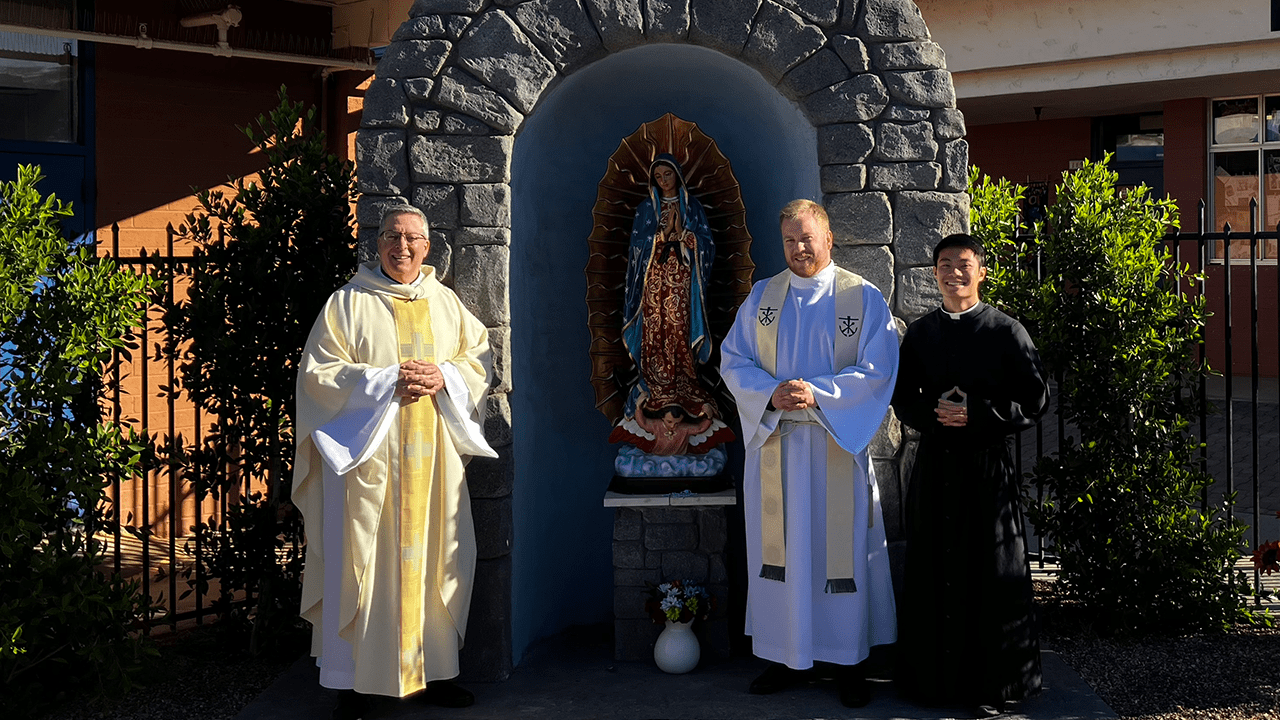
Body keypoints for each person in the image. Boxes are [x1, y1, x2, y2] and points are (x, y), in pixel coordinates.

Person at [292, 206, 497, 720]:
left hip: (433, 471)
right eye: (391, 237)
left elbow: (479, 358)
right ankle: (355, 683)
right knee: (362, 562)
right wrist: (386, 382)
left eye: (411, 238)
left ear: (428, 248)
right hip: (367, 470)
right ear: (376, 244)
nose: (401, 247)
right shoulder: (346, 303)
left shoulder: (446, 303)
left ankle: (436, 672)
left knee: (439, 564)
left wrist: (444, 376)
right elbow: (318, 375)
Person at [719, 199, 899, 708]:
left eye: (807, 238)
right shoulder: (762, 299)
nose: (799, 249)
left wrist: (818, 393)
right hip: (777, 446)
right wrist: (770, 395)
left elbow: (879, 369)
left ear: (828, 238)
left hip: (833, 447)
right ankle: (784, 656)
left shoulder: (861, 299)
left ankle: (848, 662)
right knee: (782, 553)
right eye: (790, 241)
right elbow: (733, 360)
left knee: (836, 554)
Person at [892, 233, 1049, 716]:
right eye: (944, 264)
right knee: (935, 568)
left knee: (989, 571)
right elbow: (902, 396)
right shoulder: (920, 334)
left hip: (986, 469)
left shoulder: (1006, 331)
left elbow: (1035, 399)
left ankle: (994, 685)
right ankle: (934, 683)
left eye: (963, 264)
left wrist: (978, 414)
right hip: (936, 465)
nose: (953, 272)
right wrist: (934, 412)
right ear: (934, 273)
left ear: (981, 271)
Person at [609, 153, 732, 456]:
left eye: (668, 174)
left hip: (683, 283)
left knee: (678, 329)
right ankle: (654, 382)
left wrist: (688, 238)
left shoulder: (693, 208)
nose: (664, 181)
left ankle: (683, 381)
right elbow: (636, 249)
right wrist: (659, 239)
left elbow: (707, 246)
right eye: (659, 176)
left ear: (677, 175)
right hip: (653, 285)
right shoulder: (644, 210)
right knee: (655, 332)